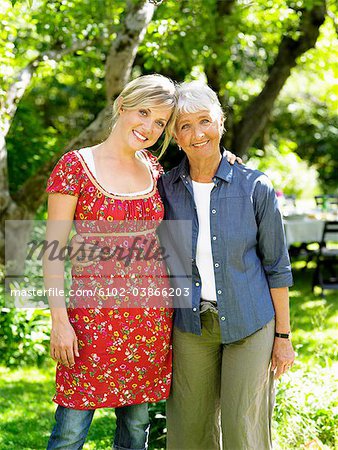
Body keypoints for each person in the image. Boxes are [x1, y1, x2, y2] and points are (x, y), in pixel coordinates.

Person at [157, 81, 295, 450]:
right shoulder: (164, 188)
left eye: (205, 121)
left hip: (250, 322)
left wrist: (283, 337)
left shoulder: (255, 187)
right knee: (189, 430)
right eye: (184, 126)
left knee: (242, 429)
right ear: (174, 135)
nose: (197, 133)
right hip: (190, 325)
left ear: (221, 123)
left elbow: (277, 267)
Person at [43, 74, 178, 450]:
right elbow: (52, 253)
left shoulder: (154, 168)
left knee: (136, 429)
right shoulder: (75, 166)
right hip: (90, 320)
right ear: (122, 106)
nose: (149, 127)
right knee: (71, 429)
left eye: (160, 122)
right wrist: (59, 322)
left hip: (149, 320)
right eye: (144, 113)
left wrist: (223, 155)